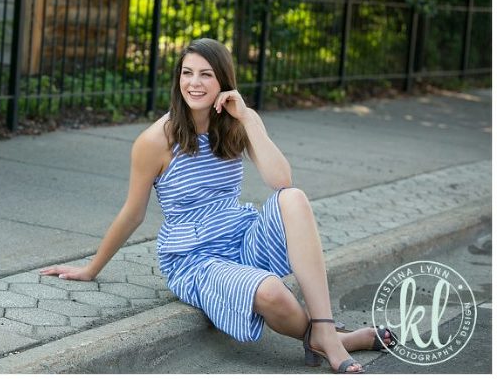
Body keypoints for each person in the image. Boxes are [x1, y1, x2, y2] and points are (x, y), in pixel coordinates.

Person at [41, 38, 396, 373]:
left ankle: (325, 330)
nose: (194, 83)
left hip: (241, 236)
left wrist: (247, 119)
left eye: (206, 74)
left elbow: (281, 180)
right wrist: (91, 269)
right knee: (272, 292)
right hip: (195, 258)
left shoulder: (236, 123)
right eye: (187, 73)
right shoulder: (154, 141)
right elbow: (133, 213)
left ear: (223, 81)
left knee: (294, 198)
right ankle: (338, 340)